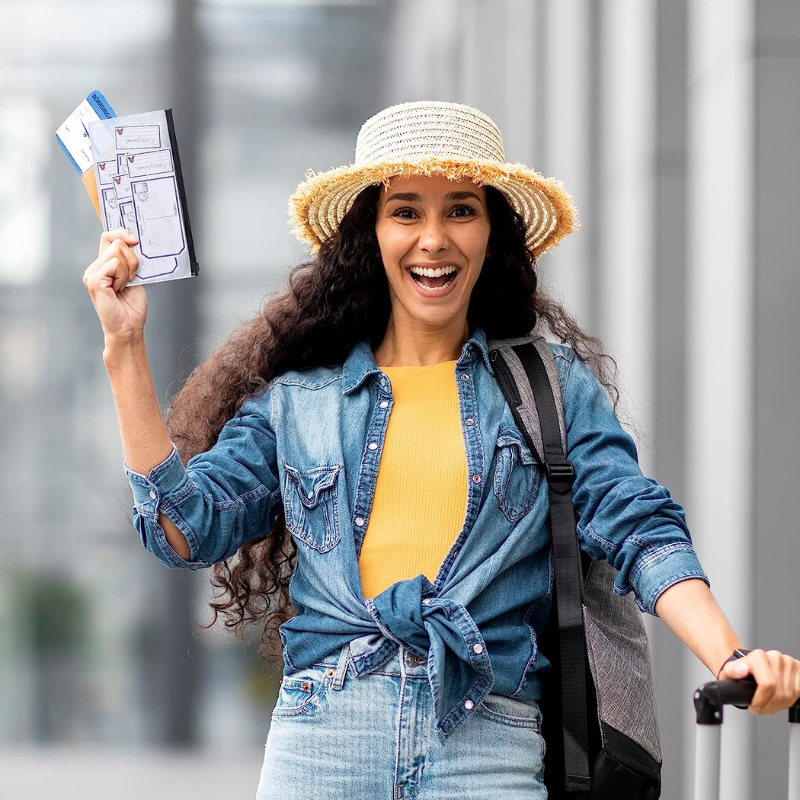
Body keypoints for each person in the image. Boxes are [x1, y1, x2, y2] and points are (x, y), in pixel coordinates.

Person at [83, 101, 800, 799]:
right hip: (323, 744)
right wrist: (125, 349)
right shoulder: (299, 402)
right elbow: (182, 527)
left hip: (487, 745)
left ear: (493, 231)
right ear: (373, 233)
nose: (434, 237)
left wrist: (729, 654)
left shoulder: (548, 389)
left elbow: (640, 527)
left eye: (461, 208)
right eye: (406, 211)